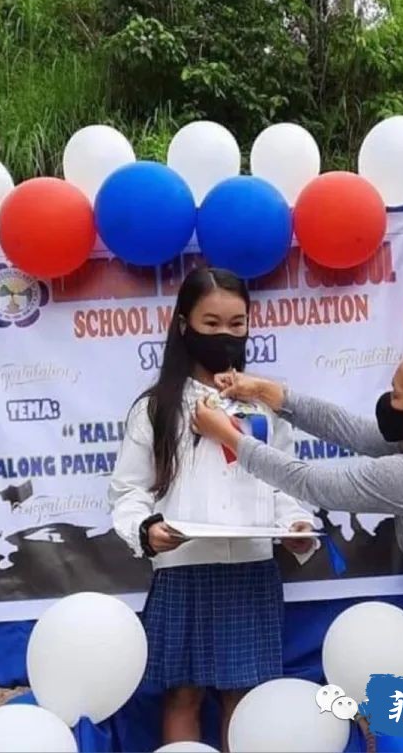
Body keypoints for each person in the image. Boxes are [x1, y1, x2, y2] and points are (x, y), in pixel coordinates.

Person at [192, 348, 403, 751]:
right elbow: (349, 429)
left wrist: (230, 436)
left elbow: (312, 483)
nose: (388, 403)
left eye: (396, 394)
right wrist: (266, 392)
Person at [108, 267, 319, 751]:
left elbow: (286, 481)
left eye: (236, 324)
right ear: (184, 325)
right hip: (182, 569)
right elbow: (128, 491)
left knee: (243, 699)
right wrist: (145, 529)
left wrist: (296, 523)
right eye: (211, 324)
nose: (225, 336)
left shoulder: (265, 406)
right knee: (182, 694)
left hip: (251, 568)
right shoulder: (157, 408)